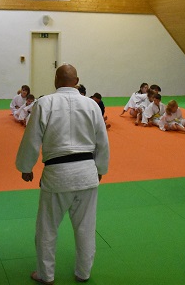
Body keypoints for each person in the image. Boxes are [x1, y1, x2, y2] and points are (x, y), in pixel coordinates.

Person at [16, 64, 110, 284]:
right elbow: (102, 141)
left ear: (56, 80)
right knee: (86, 228)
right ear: (76, 81)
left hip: (57, 175)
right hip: (87, 173)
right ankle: (83, 273)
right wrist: (101, 169)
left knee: (47, 229)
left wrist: (26, 167)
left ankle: (46, 275)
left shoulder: (44, 103)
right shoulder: (92, 105)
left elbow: (32, 138)